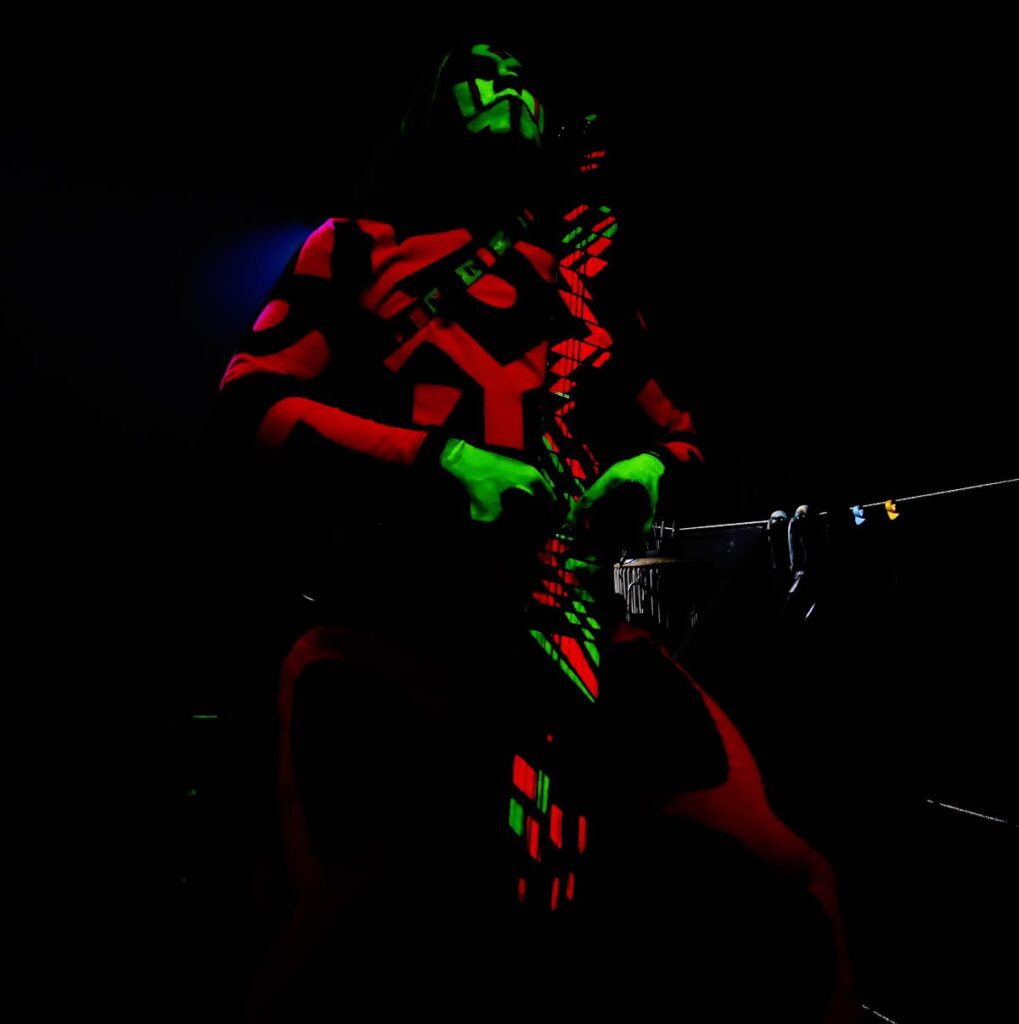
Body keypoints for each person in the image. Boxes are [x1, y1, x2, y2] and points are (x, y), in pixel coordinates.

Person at [213, 42, 857, 1021]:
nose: (508, 86)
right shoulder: (354, 247)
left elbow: (680, 432)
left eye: (522, 77)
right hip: (399, 627)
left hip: (575, 628)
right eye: (482, 71)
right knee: (354, 926)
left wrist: (644, 470)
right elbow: (253, 398)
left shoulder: (581, 287)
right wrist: (441, 461)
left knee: (785, 876)